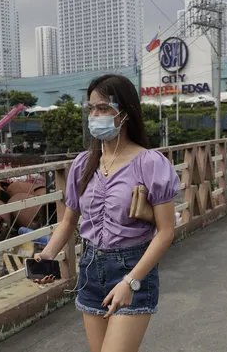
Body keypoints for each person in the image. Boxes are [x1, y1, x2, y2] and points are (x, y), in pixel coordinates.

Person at [33, 74, 180, 352]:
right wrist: (48, 255)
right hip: (91, 268)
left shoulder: (150, 163)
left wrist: (131, 280)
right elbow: (68, 220)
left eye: (103, 107)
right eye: (92, 109)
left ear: (124, 112)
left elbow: (166, 231)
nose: (95, 115)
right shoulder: (84, 164)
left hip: (132, 268)